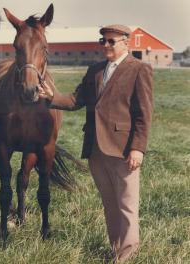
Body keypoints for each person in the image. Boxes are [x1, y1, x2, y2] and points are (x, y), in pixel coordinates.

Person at [39, 24, 153, 262]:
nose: (106, 45)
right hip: (95, 149)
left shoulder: (139, 69)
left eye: (112, 41)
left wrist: (137, 148)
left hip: (124, 150)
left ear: (126, 42)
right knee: (110, 204)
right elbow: (76, 100)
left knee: (127, 205)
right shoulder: (95, 70)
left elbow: (144, 114)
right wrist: (51, 97)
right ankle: (116, 250)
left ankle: (127, 255)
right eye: (103, 41)